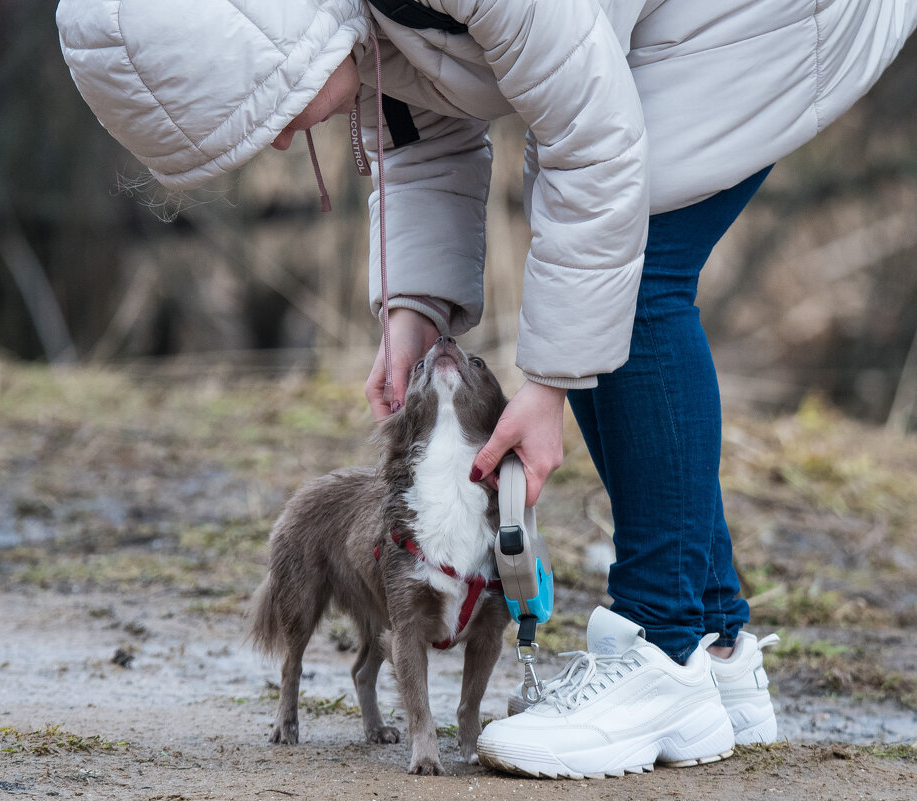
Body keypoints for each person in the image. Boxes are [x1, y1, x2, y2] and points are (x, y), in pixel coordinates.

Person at [56, 0, 917, 779]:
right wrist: (414, 309)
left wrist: (543, 384)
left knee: (634, 273)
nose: (283, 143)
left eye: (268, 117)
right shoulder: (351, 22)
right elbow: (426, 136)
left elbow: (594, 147)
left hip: (760, 16)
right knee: (601, 285)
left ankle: (664, 647)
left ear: (275, 41)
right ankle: (718, 654)